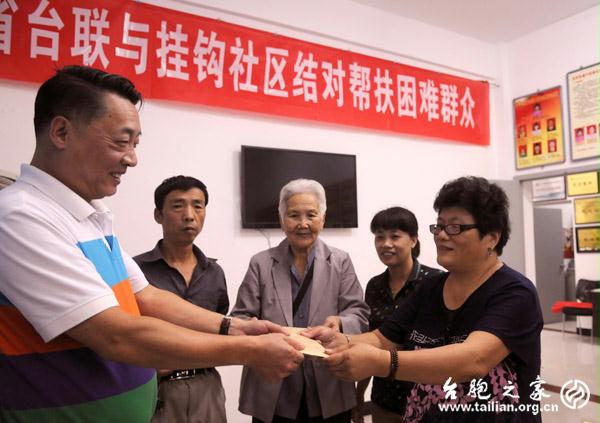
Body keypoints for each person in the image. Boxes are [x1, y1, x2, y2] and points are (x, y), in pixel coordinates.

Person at [0, 66, 304, 422]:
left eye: (135, 144)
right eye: (121, 142)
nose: (132, 159)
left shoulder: (90, 217)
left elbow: (146, 297)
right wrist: (249, 350)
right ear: (61, 132)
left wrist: (233, 327)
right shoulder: (20, 216)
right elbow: (116, 335)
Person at [306, 176, 543, 422]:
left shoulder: (515, 293)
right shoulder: (430, 287)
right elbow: (382, 338)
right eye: (439, 226)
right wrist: (340, 340)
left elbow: (473, 360)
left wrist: (382, 363)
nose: (441, 235)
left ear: (492, 237)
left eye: (454, 227)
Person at [230, 178, 370, 422]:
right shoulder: (261, 263)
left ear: (322, 219)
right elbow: (240, 317)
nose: (303, 224)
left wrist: (339, 322)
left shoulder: (340, 261)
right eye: (294, 215)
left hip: (329, 384)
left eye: (311, 215)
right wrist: (256, 329)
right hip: (274, 385)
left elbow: (358, 312)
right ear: (282, 220)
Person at [134, 176, 229, 423]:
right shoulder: (135, 271)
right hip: (156, 389)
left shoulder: (214, 273)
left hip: (206, 387)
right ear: (158, 215)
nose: (189, 215)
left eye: (197, 206)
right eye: (178, 206)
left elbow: (220, 327)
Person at [354, 207, 442, 423]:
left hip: (427, 401)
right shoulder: (375, 286)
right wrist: (359, 395)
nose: (386, 244)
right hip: (383, 399)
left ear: (413, 240)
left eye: (395, 236)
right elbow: (372, 340)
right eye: (379, 237)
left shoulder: (435, 282)